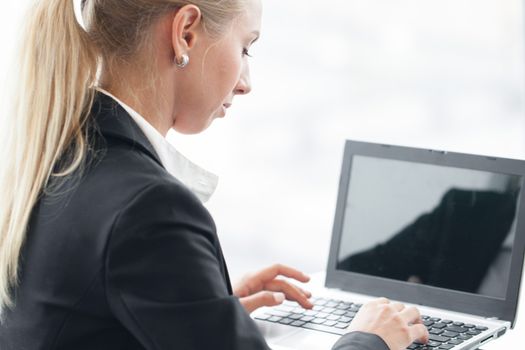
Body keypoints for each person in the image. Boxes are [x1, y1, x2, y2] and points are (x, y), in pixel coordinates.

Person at [0, 1, 429, 349]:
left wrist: (204, 309)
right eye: (245, 48)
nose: (246, 83)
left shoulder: (55, 158)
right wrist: (369, 339)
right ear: (185, 32)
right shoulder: (148, 208)